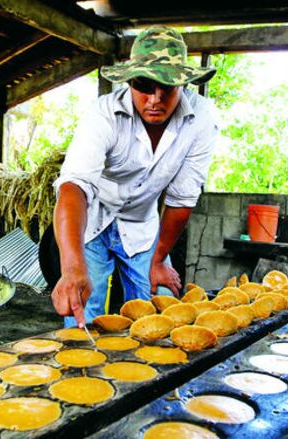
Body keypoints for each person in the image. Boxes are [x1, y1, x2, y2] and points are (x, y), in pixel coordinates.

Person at [51, 26, 219, 328]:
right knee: (84, 316)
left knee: (160, 311)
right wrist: (72, 267)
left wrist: (157, 261)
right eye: (144, 85)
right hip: (91, 222)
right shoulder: (103, 114)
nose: (155, 99)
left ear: (183, 83)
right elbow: (73, 187)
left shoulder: (201, 118)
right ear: (129, 81)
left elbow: (182, 199)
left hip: (142, 224)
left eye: (166, 86)